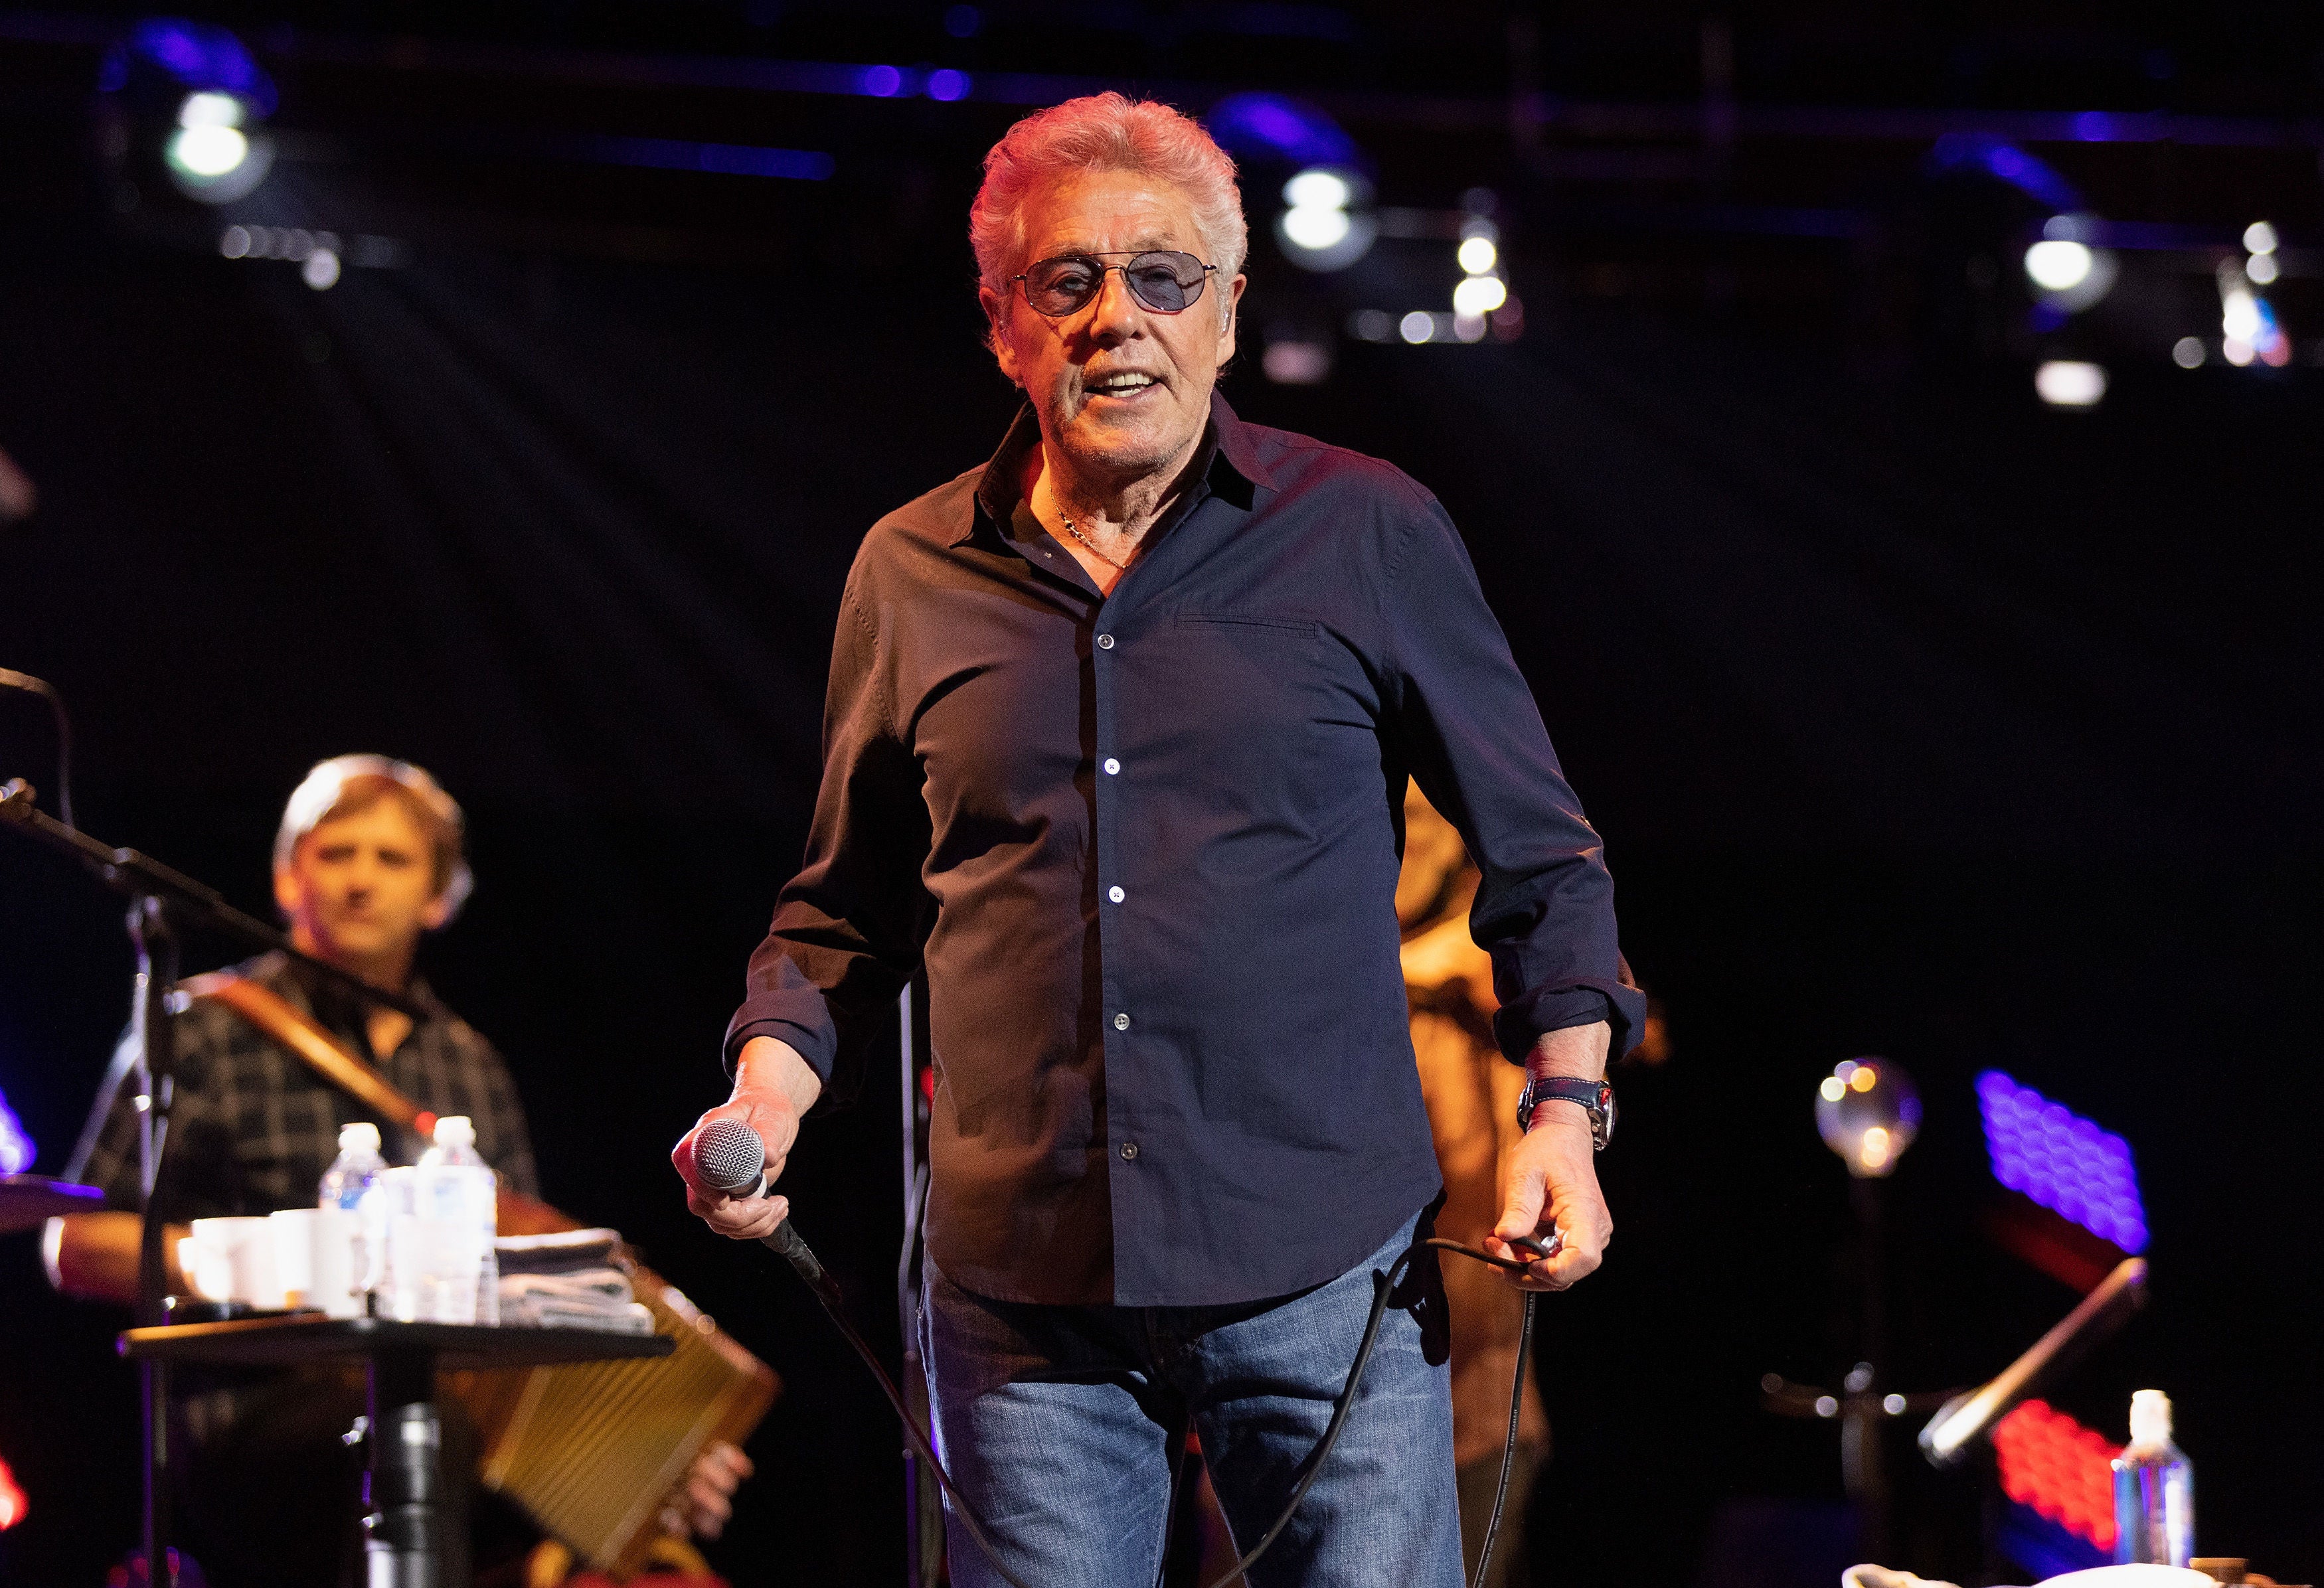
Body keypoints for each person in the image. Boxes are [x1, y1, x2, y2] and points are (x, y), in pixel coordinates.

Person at [675, 93, 1643, 1587]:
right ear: (1002, 322)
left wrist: (1565, 1119)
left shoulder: (1365, 531)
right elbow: (840, 919)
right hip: (1021, 1303)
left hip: (1327, 1270)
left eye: (1162, 278)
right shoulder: (910, 570)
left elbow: (1543, 860)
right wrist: (765, 1092)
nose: (1113, 318)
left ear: (1229, 311)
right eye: (1065, 281)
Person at [48, 755, 748, 1586]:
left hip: (451, 1411)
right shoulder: (196, 1032)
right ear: (286, 876)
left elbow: (523, 1280)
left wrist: (658, 1453)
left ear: (438, 895)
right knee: (420, 1431)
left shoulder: (471, 1065)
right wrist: (259, 1264)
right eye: (334, 853)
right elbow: (76, 1243)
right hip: (254, 1414)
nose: (359, 880)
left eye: (391, 858)